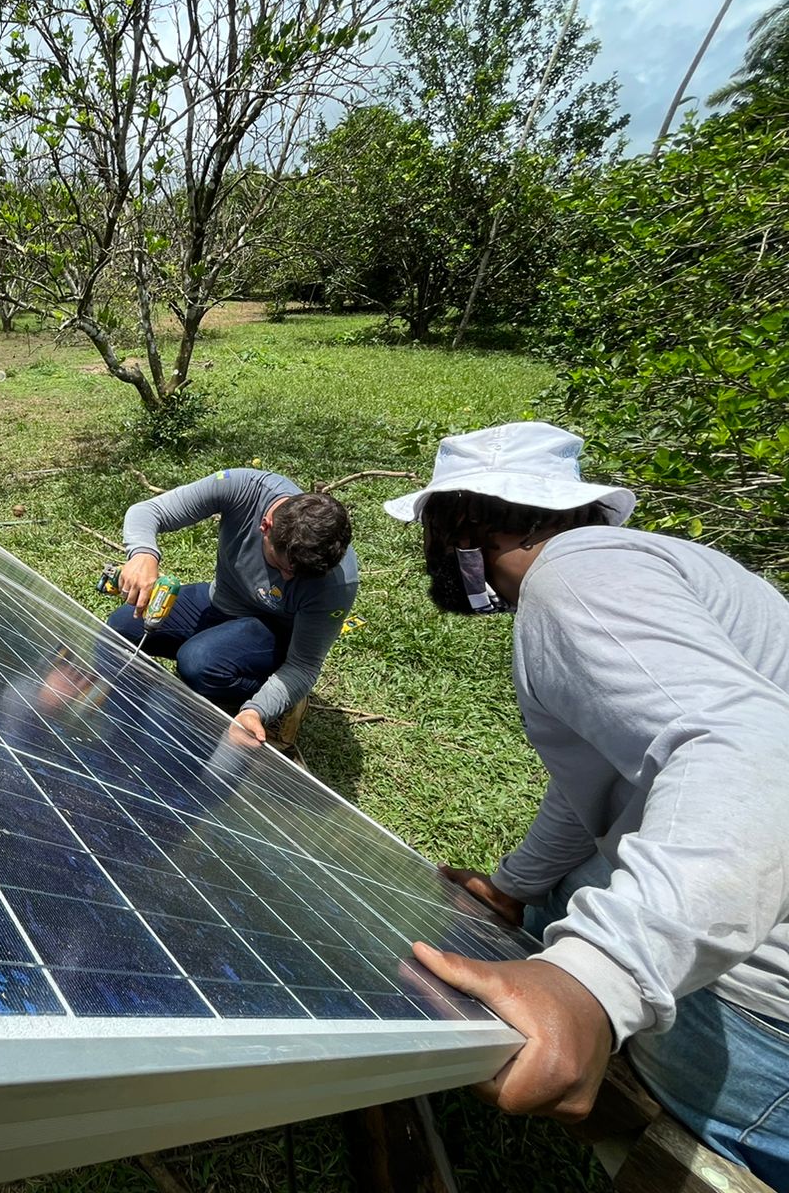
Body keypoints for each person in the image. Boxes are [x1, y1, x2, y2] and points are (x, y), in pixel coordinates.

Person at [384, 421, 789, 1187]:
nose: (431, 554)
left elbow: (759, 750)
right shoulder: (662, 566)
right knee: (551, 906)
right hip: (746, 910)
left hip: (761, 1003)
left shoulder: (577, 581)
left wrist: (601, 978)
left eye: (432, 530)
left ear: (462, 524)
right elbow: (603, 779)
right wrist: (515, 885)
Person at [111, 468, 357, 749]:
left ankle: (276, 694)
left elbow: (304, 664)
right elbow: (148, 511)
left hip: (273, 629)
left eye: (300, 576)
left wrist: (257, 710)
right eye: (281, 567)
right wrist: (143, 552)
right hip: (222, 601)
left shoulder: (337, 581)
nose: (286, 579)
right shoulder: (242, 489)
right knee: (122, 628)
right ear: (265, 527)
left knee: (198, 663)